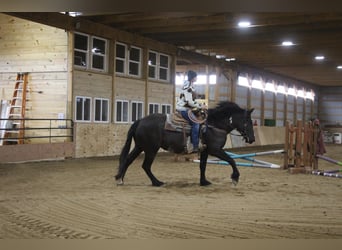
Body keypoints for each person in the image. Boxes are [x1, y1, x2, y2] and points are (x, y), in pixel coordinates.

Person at [176, 70, 203, 153]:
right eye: (196, 77)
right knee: (196, 123)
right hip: (183, 109)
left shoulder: (188, 85)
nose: (197, 78)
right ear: (193, 77)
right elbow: (189, 102)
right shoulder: (188, 86)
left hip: (185, 108)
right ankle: (195, 146)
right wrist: (201, 106)